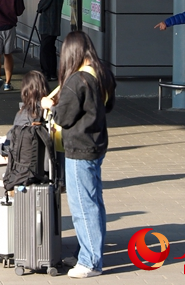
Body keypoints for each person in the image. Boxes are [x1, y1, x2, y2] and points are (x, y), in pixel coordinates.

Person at [40, 31, 115, 279]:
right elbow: (110, 104)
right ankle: (91, 250)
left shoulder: (76, 81)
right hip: (96, 144)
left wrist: (50, 106)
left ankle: (90, 260)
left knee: (83, 205)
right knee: (95, 202)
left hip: (78, 148)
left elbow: (64, 117)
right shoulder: (101, 72)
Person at [37, 0, 63, 81]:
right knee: (51, 50)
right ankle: (52, 73)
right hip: (54, 26)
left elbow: (40, 6)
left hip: (47, 27)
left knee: (44, 50)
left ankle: (46, 73)